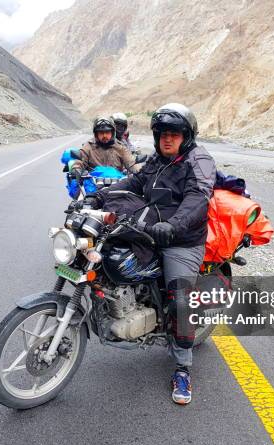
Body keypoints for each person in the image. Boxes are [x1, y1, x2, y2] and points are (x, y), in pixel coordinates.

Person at [92, 103, 216, 405]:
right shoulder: (156, 161)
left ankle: (183, 367)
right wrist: (98, 196)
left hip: (182, 238)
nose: (167, 139)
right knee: (108, 257)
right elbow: (133, 182)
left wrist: (174, 225)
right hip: (151, 228)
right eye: (162, 134)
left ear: (186, 136)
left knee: (180, 299)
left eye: (174, 134)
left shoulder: (199, 160)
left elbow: (197, 198)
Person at [71, 116, 139, 175]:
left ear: (112, 133)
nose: (104, 136)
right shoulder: (88, 146)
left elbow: (131, 162)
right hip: (93, 185)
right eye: (101, 133)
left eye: (107, 132)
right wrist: (76, 169)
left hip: (117, 186)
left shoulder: (120, 147)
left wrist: (139, 171)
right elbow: (80, 161)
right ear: (96, 134)